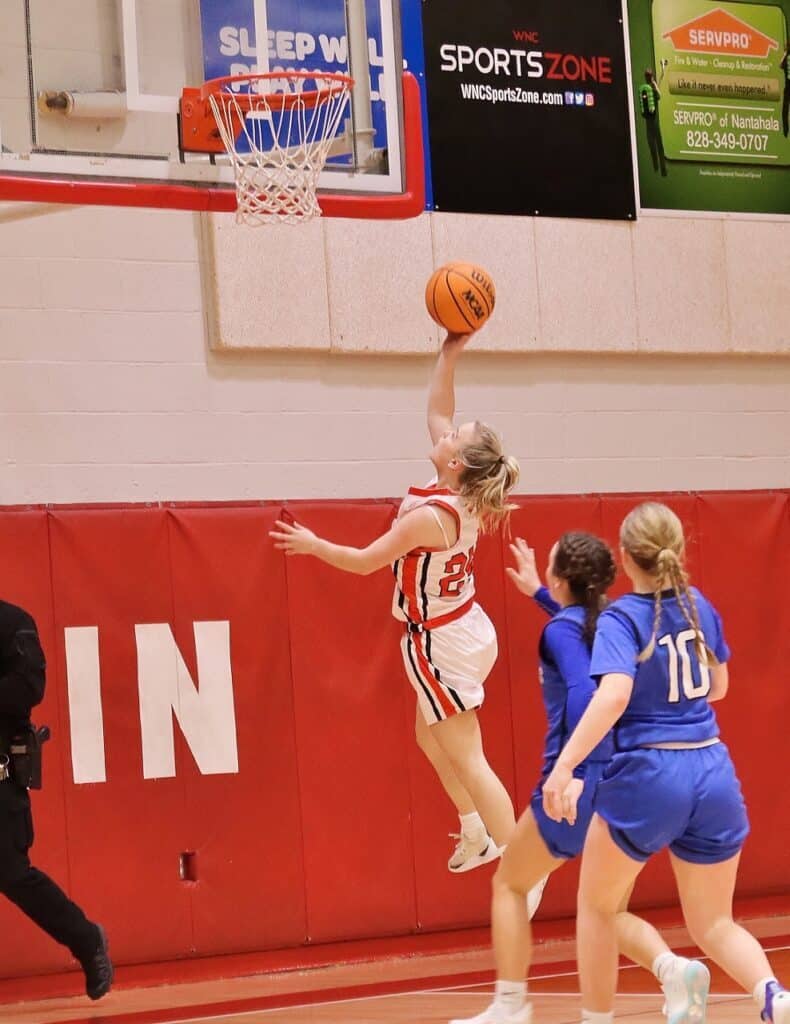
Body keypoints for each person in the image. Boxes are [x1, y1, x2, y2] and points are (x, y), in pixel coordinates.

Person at [271, 331, 533, 882]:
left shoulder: (431, 519)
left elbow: (367, 562)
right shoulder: (455, 487)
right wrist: (451, 349)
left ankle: (523, 872)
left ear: (456, 459)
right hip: (463, 627)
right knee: (428, 736)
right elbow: (440, 404)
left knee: (470, 758)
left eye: (454, 434)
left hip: (440, 639)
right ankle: (475, 831)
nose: (445, 428)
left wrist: (315, 546)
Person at [542, 502, 790, 1024]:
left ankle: (597, 1018)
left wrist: (564, 768)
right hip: (712, 769)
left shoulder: (622, 617)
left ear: (626, 558)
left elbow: (611, 697)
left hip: (651, 774)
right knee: (714, 923)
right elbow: (718, 686)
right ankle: (773, 995)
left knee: (598, 906)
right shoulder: (699, 604)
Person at [453, 531, 708, 1024]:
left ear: (562, 577)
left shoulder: (561, 633)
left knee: (509, 883)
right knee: (605, 911)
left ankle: (510, 1006)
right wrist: (539, 596)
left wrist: (569, 773)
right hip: (632, 784)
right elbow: (583, 630)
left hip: (580, 783)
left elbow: (583, 692)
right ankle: (672, 969)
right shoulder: (619, 621)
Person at [0, 598, 113, 999]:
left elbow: (30, 687)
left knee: (12, 874)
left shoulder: (12, 622)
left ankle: (86, 941)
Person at [639, 69, 667, 176]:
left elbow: (659, 96)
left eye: (649, 76)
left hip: (655, 122)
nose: (647, 77)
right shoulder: (644, 89)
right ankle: (655, 167)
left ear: (652, 76)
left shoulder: (654, 87)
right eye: (646, 76)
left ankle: (663, 170)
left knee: (659, 146)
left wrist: (655, 86)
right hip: (648, 123)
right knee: (651, 144)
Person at [780, 41, 789, 138]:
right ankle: (786, 131)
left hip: (788, 87)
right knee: (785, 109)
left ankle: (786, 131)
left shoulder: (786, 57)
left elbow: (780, 65)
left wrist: (785, 54)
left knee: (785, 109)